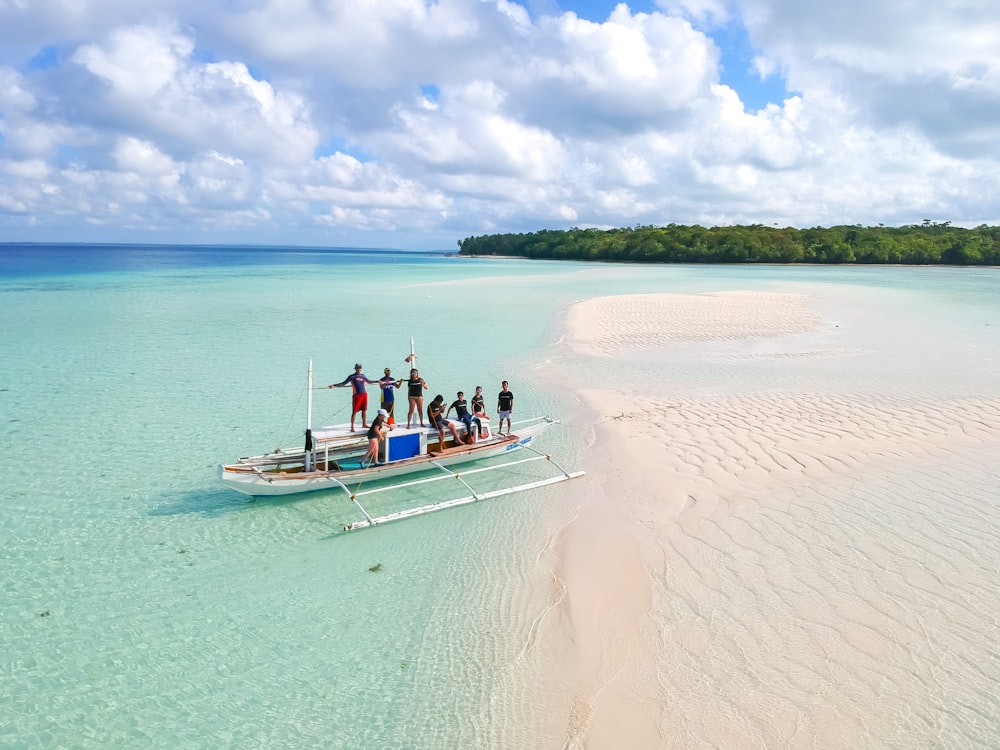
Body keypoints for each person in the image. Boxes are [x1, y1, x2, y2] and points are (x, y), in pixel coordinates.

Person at [329, 363, 376, 432]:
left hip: (364, 395)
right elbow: (343, 383)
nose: (359, 369)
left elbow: (369, 381)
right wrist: (334, 385)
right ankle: (352, 427)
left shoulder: (363, 376)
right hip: (357, 396)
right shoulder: (352, 377)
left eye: (360, 368)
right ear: (355, 369)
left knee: (364, 410)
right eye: (357, 368)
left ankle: (364, 424)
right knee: (354, 411)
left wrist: (378, 381)